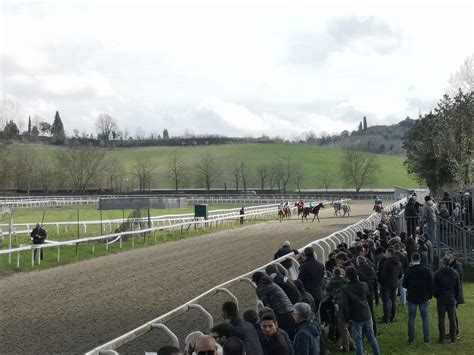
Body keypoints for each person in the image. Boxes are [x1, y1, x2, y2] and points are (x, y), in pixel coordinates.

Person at [341, 267, 380, 355]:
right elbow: (368, 296)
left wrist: (348, 319)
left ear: (347, 276)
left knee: (358, 340)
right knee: (371, 336)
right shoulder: (364, 285)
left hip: (355, 316)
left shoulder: (346, 289)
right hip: (366, 313)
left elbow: (345, 306)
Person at [402, 252, 433, 345]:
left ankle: (411, 338)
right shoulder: (426, 270)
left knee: (411, 318)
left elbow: (404, 284)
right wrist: (429, 295)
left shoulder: (409, 270)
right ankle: (426, 339)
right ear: (420, 259)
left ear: (412, 259)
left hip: (412, 296)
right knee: (425, 318)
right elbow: (431, 284)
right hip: (423, 296)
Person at [434, 256, 460, 344]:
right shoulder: (455, 273)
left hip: (441, 297)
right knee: (452, 318)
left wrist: (436, 295)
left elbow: (435, 287)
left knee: (441, 319)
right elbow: (458, 288)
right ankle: (453, 338)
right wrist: (455, 297)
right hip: (451, 297)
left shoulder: (438, 273)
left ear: (442, 263)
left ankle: (442, 338)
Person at [297, 247, 325, 321]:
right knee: (316, 314)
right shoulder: (321, 265)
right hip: (318, 293)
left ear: (305, 255)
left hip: (308, 296)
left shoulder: (305, 266)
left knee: (308, 316)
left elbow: (300, 281)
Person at [379, 247, 402, 323]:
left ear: (390, 253)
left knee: (386, 301)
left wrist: (381, 282)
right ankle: (392, 317)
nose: (385, 254)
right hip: (394, 283)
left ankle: (386, 318)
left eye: (386, 252)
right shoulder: (398, 262)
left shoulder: (387, 263)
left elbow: (383, 275)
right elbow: (400, 274)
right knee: (393, 300)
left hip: (386, 284)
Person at [446, 250, 464, 339]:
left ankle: (456, 333)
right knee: (451, 314)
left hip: (456, 294)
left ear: (453, 257)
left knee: (453, 314)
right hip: (451, 293)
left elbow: (456, 279)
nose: (447, 258)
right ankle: (452, 332)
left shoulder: (457, 266)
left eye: (448, 257)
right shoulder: (451, 265)